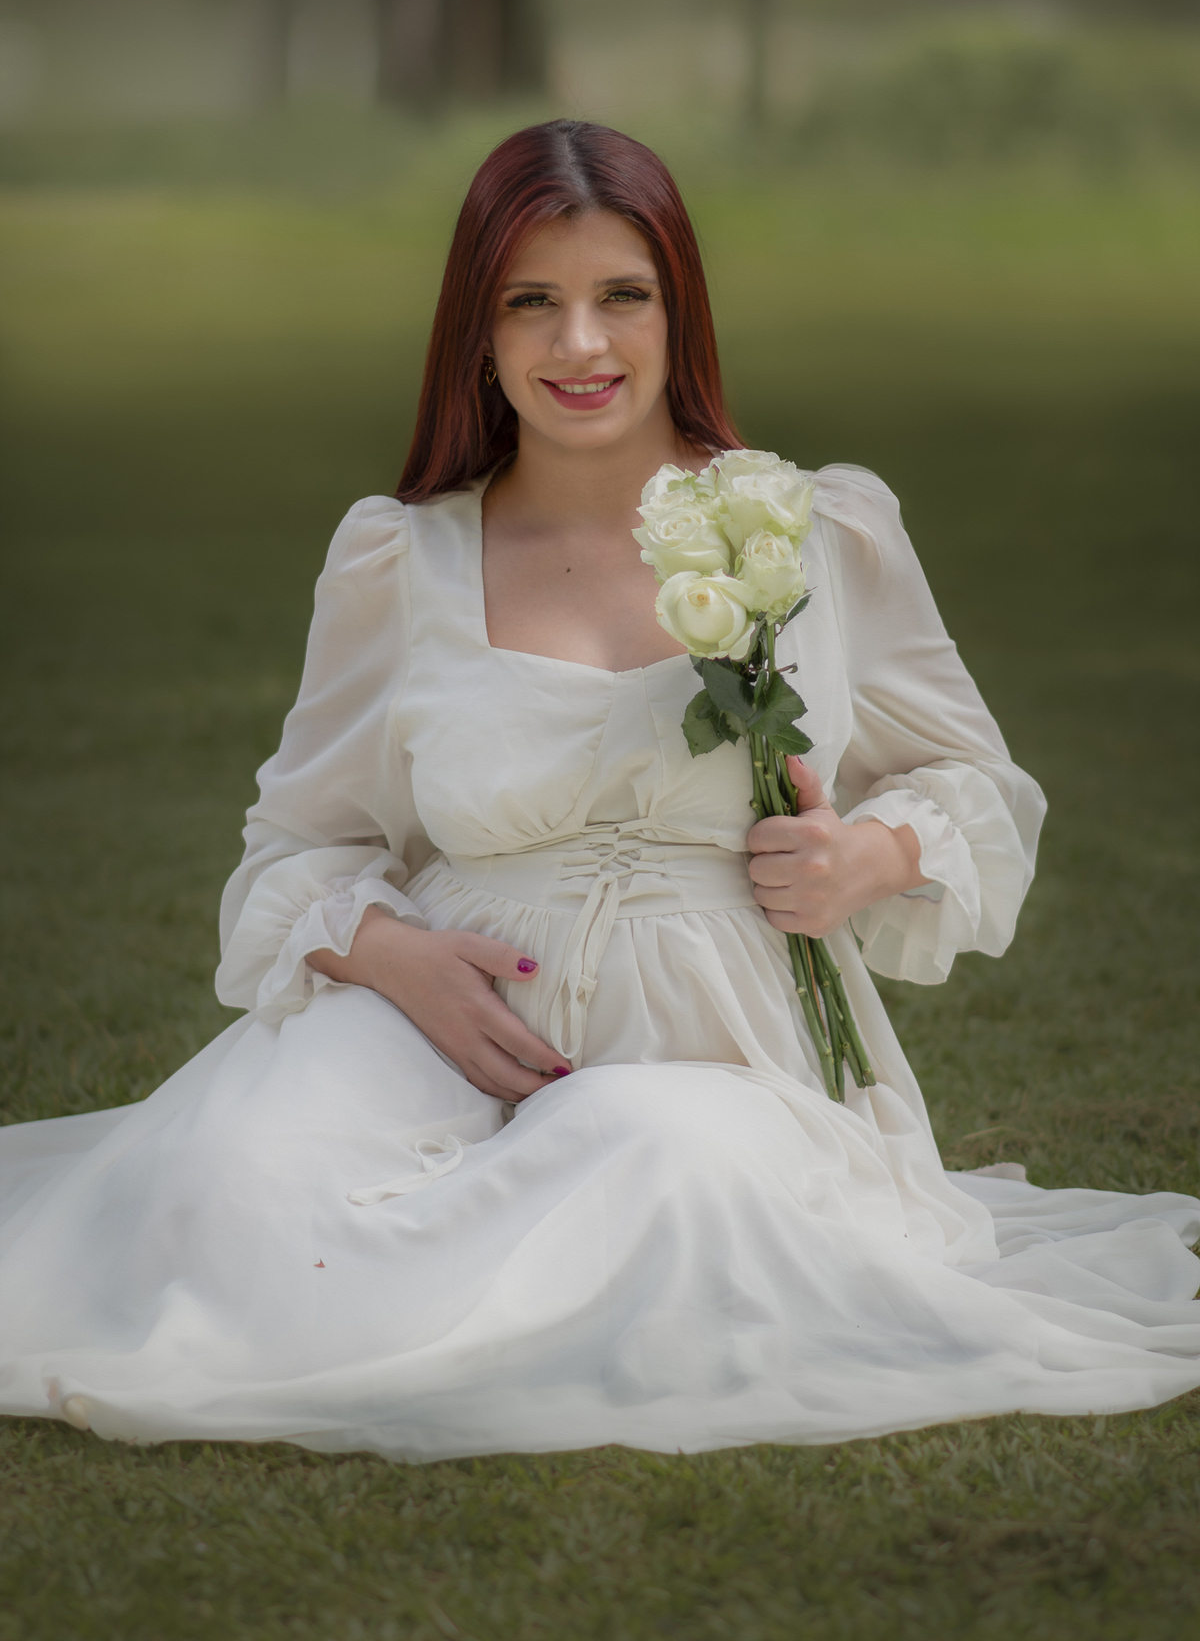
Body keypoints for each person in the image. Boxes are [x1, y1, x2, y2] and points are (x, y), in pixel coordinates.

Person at [2, 119, 1198, 1462]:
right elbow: (289, 852)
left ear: (678, 310)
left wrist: (867, 856)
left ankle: (487, 1298)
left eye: (621, 296)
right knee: (236, 1176)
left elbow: (975, 780)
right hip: (447, 1020)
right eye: (533, 302)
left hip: (707, 1046)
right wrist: (390, 955)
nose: (580, 346)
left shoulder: (811, 528)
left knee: (656, 1156)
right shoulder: (399, 562)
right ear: (480, 327)